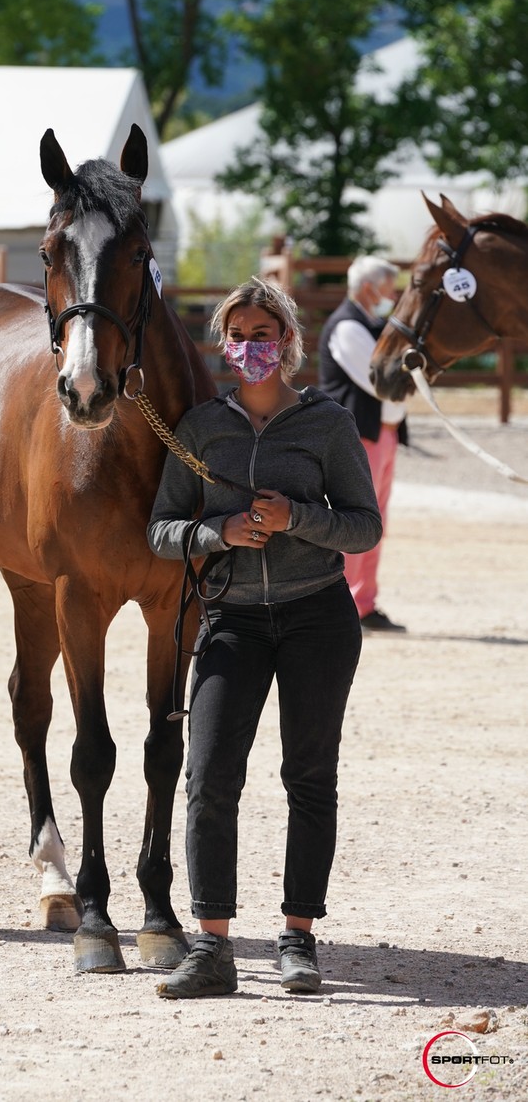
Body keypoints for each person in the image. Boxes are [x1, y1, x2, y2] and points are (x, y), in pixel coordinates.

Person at [147, 277, 382, 999]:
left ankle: (298, 938)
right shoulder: (199, 428)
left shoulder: (328, 425)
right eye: (240, 334)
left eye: (264, 333)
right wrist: (218, 531)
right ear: (224, 344)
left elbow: (364, 525)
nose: (252, 346)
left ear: (288, 342)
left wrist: (297, 518)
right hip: (231, 620)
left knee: (309, 778)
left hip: (319, 616)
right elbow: (160, 531)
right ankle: (212, 947)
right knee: (210, 775)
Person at [318, 255, 408, 633]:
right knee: (357, 520)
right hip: (359, 438)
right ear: (370, 287)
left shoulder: (371, 324)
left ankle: (363, 602)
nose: (393, 294)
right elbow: (382, 382)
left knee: (376, 522)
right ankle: (343, 603)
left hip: (381, 435)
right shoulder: (347, 327)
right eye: (388, 286)